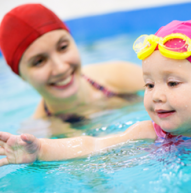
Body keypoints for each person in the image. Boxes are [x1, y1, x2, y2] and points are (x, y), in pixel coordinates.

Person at [0, 19, 191, 166]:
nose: (156, 96)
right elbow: (92, 146)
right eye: (149, 85)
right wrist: (40, 149)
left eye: (172, 83)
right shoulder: (150, 131)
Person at [0, 4, 144, 123]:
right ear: (21, 75)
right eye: (39, 62)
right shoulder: (39, 134)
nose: (61, 68)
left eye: (63, 47)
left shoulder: (121, 76)